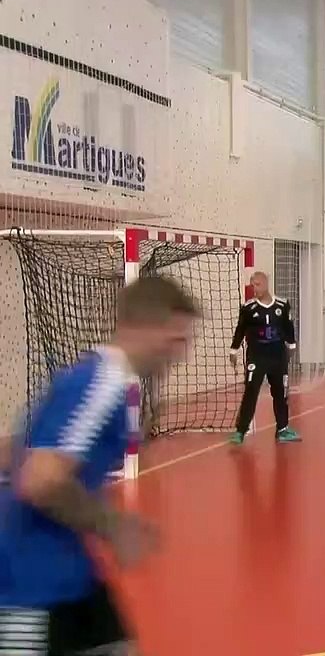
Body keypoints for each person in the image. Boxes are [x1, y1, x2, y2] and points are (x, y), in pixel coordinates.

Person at [0, 276, 197, 654]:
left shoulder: (100, 382)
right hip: (29, 586)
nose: (179, 353)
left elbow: (22, 453)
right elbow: (40, 481)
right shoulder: (101, 384)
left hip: (74, 572)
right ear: (142, 326)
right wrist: (112, 524)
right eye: (175, 339)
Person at [229, 272, 301, 444]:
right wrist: (234, 350)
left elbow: (288, 327)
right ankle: (240, 431)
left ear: (267, 284)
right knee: (251, 391)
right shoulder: (248, 308)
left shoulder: (282, 305)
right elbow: (240, 329)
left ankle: (282, 429)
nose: (255, 288)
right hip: (257, 357)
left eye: (258, 284)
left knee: (280, 393)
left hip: (277, 357)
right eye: (253, 284)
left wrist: (292, 346)